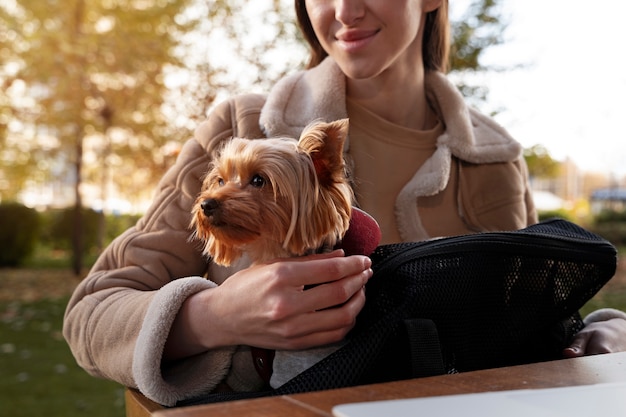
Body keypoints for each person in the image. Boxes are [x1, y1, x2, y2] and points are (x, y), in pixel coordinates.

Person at [63, 0, 626, 406]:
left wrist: (603, 333)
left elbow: (528, 313)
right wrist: (213, 316)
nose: (344, 9)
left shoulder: (494, 159)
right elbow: (92, 315)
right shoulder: (240, 125)